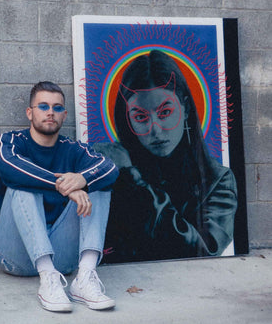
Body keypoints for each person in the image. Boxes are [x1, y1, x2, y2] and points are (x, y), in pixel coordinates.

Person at [94, 49, 238, 263]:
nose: (156, 130)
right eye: (141, 117)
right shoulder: (113, 164)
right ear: (128, 121)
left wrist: (135, 182)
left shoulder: (218, 181)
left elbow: (204, 250)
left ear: (186, 108)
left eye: (165, 113)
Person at [0, 81, 119, 313]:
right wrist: (65, 185)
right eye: (43, 106)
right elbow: (10, 168)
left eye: (57, 108)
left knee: (97, 183)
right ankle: (47, 279)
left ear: (64, 114)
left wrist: (83, 180)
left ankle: (85, 278)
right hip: (13, 255)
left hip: (63, 258)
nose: (51, 112)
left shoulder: (73, 149)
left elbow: (109, 168)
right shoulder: (9, 141)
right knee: (22, 184)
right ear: (30, 112)